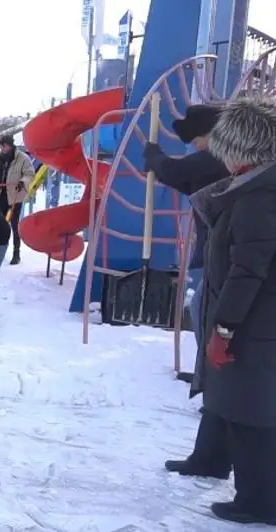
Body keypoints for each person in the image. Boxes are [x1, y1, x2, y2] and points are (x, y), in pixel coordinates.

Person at [188, 95, 276, 526]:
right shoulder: (251, 189)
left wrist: (224, 329)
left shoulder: (260, 197)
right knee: (233, 402)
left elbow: (248, 271)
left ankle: (259, 501)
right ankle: (212, 459)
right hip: (251, 321)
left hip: (255, 325)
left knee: (252, 414)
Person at [147, 106, 233, 483]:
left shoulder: (217, 159)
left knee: (211, 323)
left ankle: (210, 380)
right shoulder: (230, 163)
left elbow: (176, 173)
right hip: (215, 257)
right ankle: (211, 450)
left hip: (222, 262)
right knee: (207, 322)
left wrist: (153, 156)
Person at [0, 134, 35, 265]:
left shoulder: (22, 158)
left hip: (15, 195)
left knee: (14, 224)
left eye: (5, 146)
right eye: (1, 146)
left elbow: (29, 174)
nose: (3, 148)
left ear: (11, 146)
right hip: (2, 194)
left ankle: (16, 253)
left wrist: (23, 182)